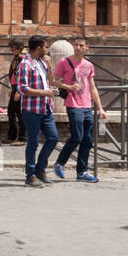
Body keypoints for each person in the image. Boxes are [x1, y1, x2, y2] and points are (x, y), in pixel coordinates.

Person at [53, 36, 106, 182]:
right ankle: (59, 163)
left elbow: (92, 88)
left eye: (81, 45)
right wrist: (69, 87)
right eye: (75, 45)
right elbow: (54, 80)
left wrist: (100, 108)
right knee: (77, 136)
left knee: (88, 140)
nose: (77, 48)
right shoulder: (64, 62)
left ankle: (82, 172)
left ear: (87, 47)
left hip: (87, 106)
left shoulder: (89, 65)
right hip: (73, 104)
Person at [17, 35, 59, 187]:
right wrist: (43, 93)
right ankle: (30, 175)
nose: (47, 50)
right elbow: (22, 88)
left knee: (53, 138)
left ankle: (40, 169)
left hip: (46, 107)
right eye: (46, 47)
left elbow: (51, 81)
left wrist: (49, 67)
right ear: (39, 48)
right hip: (32, 109)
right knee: (33, 143)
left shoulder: (41, 62)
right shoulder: (25, 64)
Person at [6, 38, 26, 144]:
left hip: (19, 88)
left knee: (19, 113)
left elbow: (23, 75)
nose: (11, 50)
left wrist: (19, 90)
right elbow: (14, 74)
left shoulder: (23, 58)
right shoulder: (17, 57)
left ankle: (22, 138)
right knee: (11, 112)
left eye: (12, 48)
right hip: (15, 87)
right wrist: (12, 87)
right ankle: (11, 136)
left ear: (18, 48)